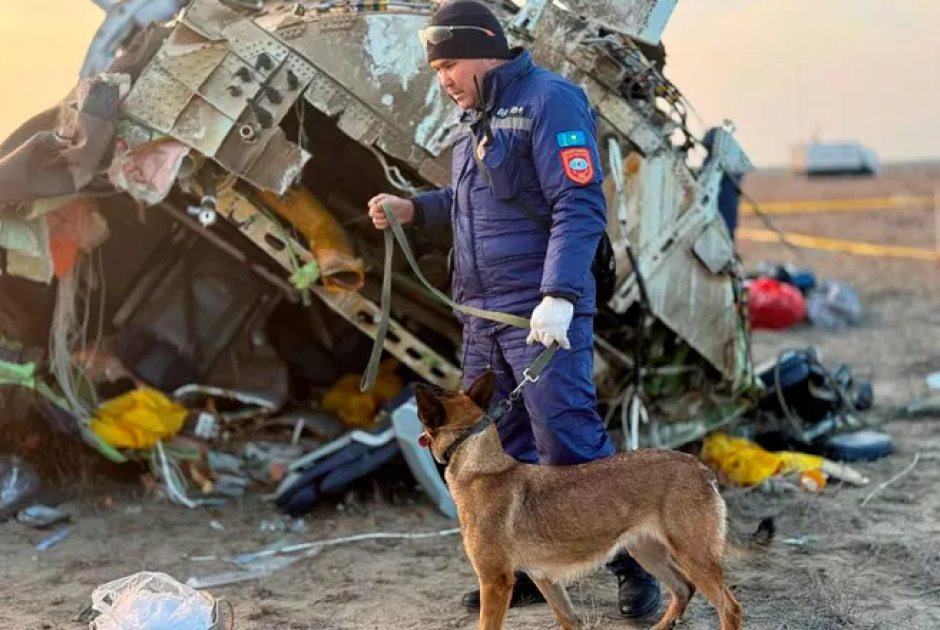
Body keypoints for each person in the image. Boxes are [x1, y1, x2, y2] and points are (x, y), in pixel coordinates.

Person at [367, 0, 661, 620]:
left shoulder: (550, 101)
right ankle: (520, 569)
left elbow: (577, 203)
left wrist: (558, 295)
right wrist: (415, 209)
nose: (443, 78)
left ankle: (633, 567)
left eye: (449, 63)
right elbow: (472, 202)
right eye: (436, 69)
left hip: (538, 311)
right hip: (483, 317)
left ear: (484, 49)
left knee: (568, 440)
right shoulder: (472, 119)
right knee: (503, 448)